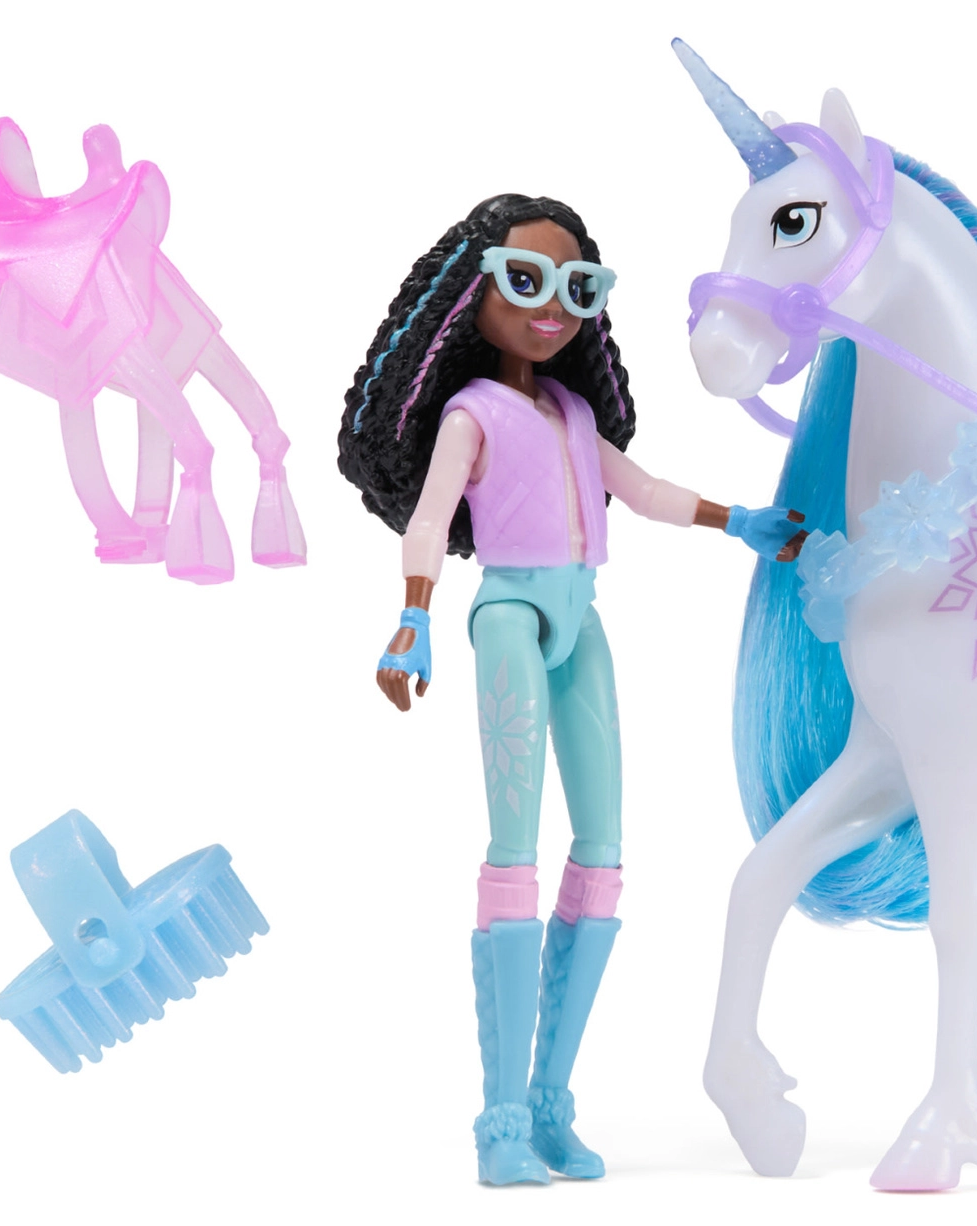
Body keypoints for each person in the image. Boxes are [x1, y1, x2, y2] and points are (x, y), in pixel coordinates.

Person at [338, 194, 803, 1184]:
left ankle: (551, 1098)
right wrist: (414, 616)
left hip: (580, 619)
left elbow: (640, 490)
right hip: (508, 615)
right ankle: (500, 1116)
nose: (551, 306)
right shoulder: (470, 412)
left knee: (602, 854)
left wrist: (739, 522)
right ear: (474, 296)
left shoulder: (575, 411)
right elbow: (430, 519)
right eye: (525, 282)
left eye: (576, 287)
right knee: (514, 854)